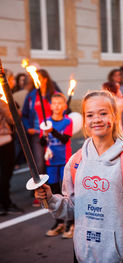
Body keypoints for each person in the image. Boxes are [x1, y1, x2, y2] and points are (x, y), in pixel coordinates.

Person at [35, 90, 123, 263]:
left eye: (103, 113)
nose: (96, 119)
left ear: (114, 116)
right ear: (85, 120)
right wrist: (50, 199)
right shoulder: (75, 162)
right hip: (83, 255)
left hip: (121, 257)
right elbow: (73, 209)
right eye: (90, 115)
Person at [40, 93, 74, 238]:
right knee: (54, 191)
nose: (57, 106)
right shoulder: (46, 121)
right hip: (51, 162)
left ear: (65, 106)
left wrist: (51, 130)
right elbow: (42, 142)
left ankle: (71, 222)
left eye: (60, 103)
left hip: (65, 161)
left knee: (67, 191)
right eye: (54, 103)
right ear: (50, 106)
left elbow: (65, 139)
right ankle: (59, 221)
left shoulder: (68, 122)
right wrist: (44, 136)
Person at [22, 69, 56, 206]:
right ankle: (39, 192)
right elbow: (24, 114)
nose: (39, 81)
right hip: (37, 134)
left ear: (46, 79)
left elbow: (63, 110)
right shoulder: (31, 96)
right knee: (39, 164)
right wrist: (27, 127)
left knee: (54, 163)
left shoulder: (53, 94)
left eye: (41, 79)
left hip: (53, 135)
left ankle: (55, 190)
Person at [0, 97, 23, 215]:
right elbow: (13, 119)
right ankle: (5, 203)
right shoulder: (1, 103)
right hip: (4, 141)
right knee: (5, 173)